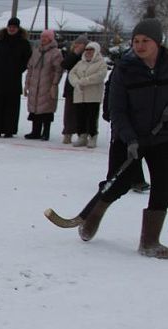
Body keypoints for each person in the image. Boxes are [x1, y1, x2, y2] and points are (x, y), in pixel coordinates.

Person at [50, 19, 168, 259]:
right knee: (118, 184)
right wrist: (130, 138)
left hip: (161, 137)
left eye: (146, 41)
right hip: (128, 137)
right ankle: (93, 216)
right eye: (136, 41)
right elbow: (117, 110)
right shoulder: (125, 69)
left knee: (164, 186)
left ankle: (150, 241)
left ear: (158, 42)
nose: (140, 45)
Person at [0, 18, 32, 138]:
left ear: (18, 28)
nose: (12, 29)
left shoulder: (23, 43)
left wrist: (19, 69)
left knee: (11, 106)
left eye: (14, 27)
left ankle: (9, 129)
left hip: (14, 79)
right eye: (10, 26)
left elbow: (27, 59)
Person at [24, 29, 63, 141]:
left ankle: (46, 132)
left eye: (46, 37)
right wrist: (27, 83)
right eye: (42, 37)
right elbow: (30, 68)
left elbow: (58, 70)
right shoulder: (36, 51)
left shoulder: (56, 53)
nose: (43, 39)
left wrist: (54, 83)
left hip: (47, 84)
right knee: (35, 108)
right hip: (35, 84)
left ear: (51, 39)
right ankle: (35, 131)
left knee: (46, 109)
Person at [68, 41, 106, 148]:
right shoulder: (80, 63)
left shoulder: (101, 63)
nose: (88, 52)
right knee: (80, 117)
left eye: (91, 50)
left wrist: (85, 81)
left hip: (93, 96)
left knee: (92, 117)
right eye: (87, 50)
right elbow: (72, 73)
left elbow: (100, 75)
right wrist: (76, 83)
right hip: (79, 94)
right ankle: (82, 136)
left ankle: (93, 136)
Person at [61, 34, 90, 144]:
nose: (78, 45)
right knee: (69, 113)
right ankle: (67, 133)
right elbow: (64, 64)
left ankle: (82, 135)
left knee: (83, 113)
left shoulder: (89, 55)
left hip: (84, 88)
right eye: (77, 43)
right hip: (70, 88)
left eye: (81, 44)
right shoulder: (72, 54)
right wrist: (75, 53)